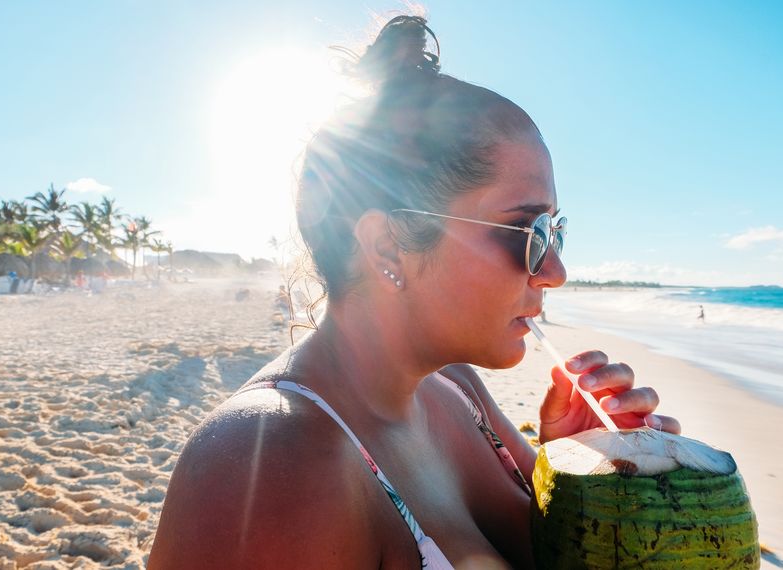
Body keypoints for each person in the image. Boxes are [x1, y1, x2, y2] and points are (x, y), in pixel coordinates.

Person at [148, 16, 680, 569]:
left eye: (556, 230)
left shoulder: (457, 387)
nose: (555, 271)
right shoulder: (268, 468)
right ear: (387, 246)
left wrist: (578, 471)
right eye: (529, 231)